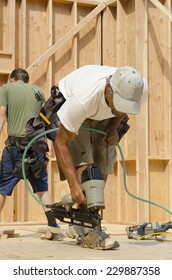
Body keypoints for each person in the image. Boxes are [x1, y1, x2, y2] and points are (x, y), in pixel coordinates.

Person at [53, 65, 148, 250]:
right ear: (108, 90)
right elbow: (60, 142)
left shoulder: (138, 88)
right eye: (120, 104)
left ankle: (79, 224)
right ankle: (90, 233)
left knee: (102, 169)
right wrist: (74, 185)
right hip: (75, 103)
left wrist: (114, 126)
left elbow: (122, 110)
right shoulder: (83, 98)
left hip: (104, 111)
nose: (123, 109)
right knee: (88, 171)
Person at [0, 68, 63, 241]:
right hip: (37, 146)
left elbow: (1, 114)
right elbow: (51, 120)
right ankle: (54, 227)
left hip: (15, 147)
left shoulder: (6, 88)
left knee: (2, 187)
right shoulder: (38, 91)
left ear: (12, 79)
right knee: (42, 188)